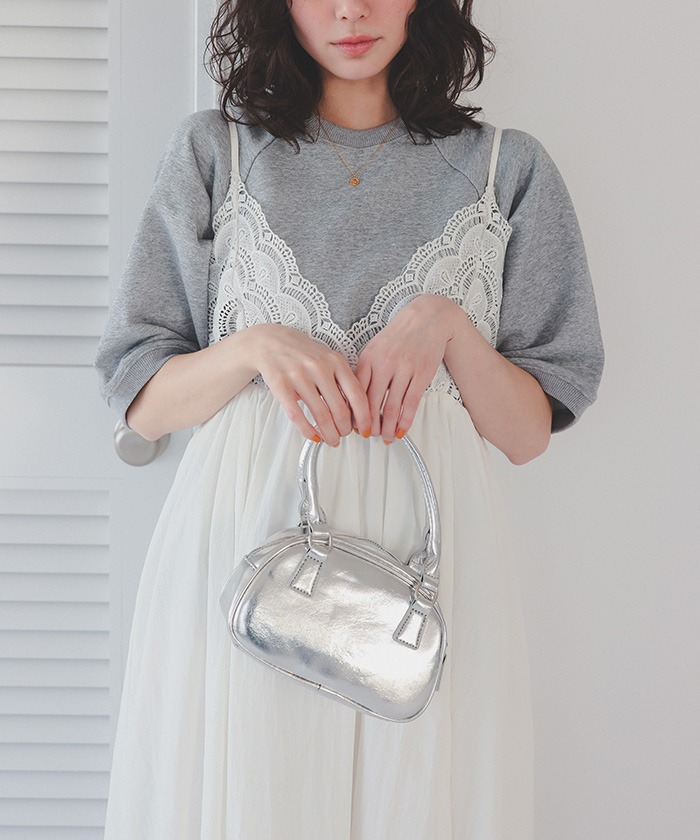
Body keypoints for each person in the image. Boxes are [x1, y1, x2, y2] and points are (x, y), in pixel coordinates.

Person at [95, 0, 604, 837]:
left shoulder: (507, 168)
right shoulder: (214, 152)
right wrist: (255, 346)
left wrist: (448, 326)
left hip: (430, 573)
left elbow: (526, 433)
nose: (350, 9)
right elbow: (141, 398)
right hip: (243, 546)